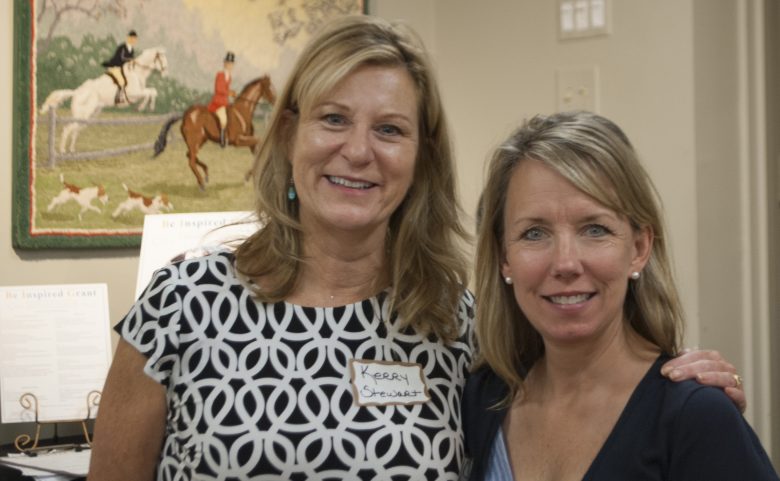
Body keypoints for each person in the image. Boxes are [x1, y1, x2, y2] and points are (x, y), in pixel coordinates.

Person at [87, 17, 745, 481]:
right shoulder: (182, 306)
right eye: (333, 118)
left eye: (390, 129)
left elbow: (582, 375)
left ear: (420, 157)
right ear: (288, 135)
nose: (358, 150)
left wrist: (686, 389)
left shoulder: (460, 328)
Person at [462, 111, 777, 480]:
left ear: (639, 247)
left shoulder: (696, 416)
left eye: (594, 229)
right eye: (534, 233)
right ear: (504, 257)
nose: (565, 263)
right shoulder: (482, 397)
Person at [207, 51, 237, 147]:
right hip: (218, 102)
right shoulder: (220, 74)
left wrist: (232, 93)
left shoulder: (230, 77)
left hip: (225, 102)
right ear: (224, 63)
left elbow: (226, 89)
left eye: (231, 64)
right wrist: (229, 93)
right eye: (228, 63)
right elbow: (219, 89)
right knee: (223, 119)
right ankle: (222, 139)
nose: (229, 66)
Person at [102, 30, 138, 106]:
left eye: (134, 39)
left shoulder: (131, 49)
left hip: (123, 68)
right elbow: (121, 58)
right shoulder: (122, 47)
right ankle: (118, 98)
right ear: (128, 38)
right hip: (115, 66)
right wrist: (130, 60)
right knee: (122, 81)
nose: (133, 40)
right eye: (132, 38)